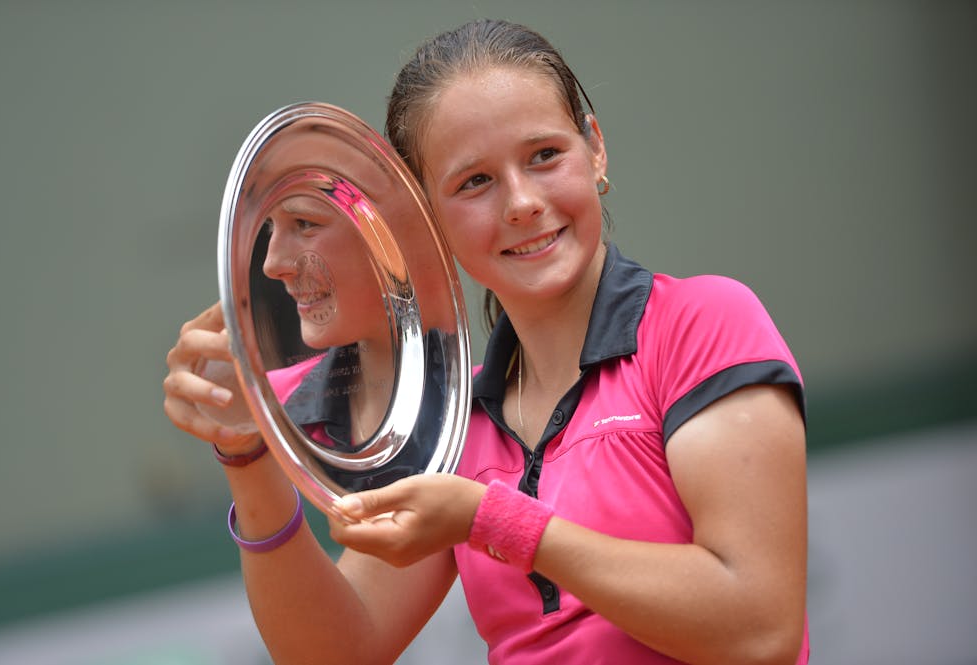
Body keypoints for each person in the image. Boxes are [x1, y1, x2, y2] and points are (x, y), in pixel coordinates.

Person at [163, 18, 809, 665]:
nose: (523, 201)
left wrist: (493, 520)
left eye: (545, 156)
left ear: (596, 150)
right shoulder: (453, 424)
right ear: (424, 219)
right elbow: (334, 653)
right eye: (475, 182)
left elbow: (760, 629)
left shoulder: (701, 322)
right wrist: (247, 460)